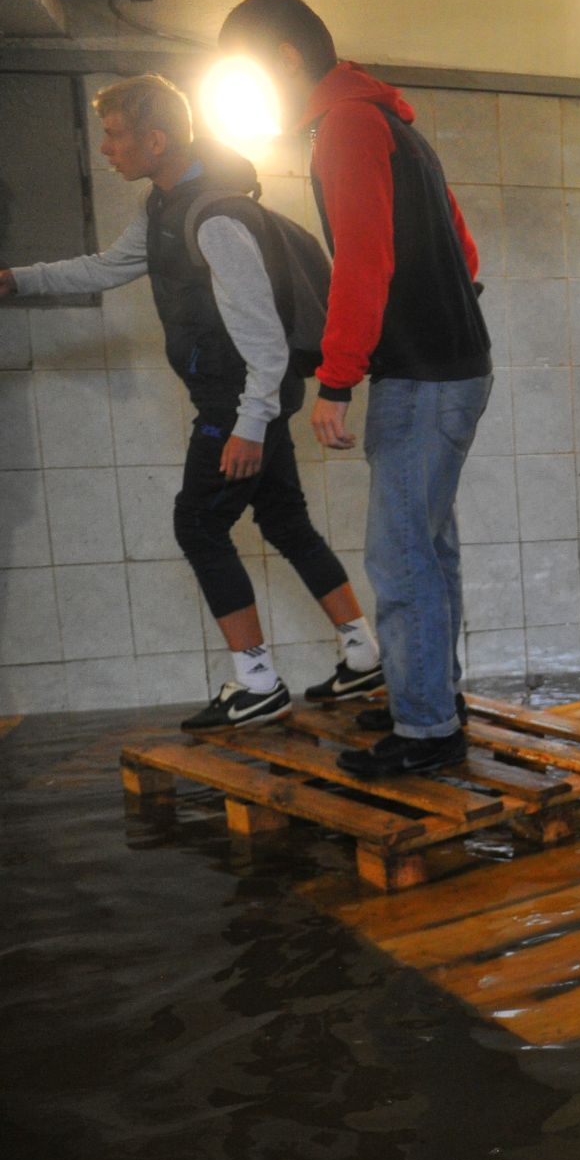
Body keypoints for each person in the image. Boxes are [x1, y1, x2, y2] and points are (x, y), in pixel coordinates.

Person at [0, 74, 380, 730]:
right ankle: (363, 652)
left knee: (198, 525)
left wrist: (249, 425)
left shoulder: (213, 217)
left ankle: (256, 680)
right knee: (287, 522)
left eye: (116, 135)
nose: (108, 149)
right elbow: (105, 267)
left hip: (239, 403)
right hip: (247, 402)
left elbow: (262, 336)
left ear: (155, 139)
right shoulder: (163, 209)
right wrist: (15, 280)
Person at [219, 0, 493, 776]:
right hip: (459, 364)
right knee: (429, 548)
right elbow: (464, 249)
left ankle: (426, 730)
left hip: (423, 375)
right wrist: (438, 315)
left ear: (284, 61)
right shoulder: (391, 122)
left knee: (403, 556)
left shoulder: (344, 128)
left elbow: (365, 259)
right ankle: (436, 701)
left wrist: (338, 378)